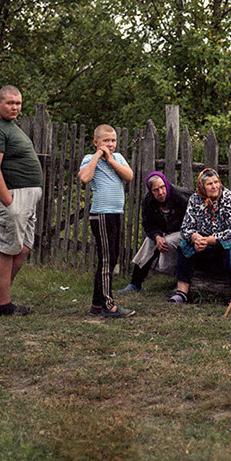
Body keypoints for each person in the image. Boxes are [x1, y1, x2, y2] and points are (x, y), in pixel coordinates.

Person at [0, 85, 43, 316]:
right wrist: (8, 202)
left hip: (24, 197)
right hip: (11, 197)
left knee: (23, 248)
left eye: (18, 103)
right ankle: (4, 306)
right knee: (6, 248)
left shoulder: (8, 125)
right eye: (10, 103)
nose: (15, 107)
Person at [168, 168, 231, 307]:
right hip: (204, 241)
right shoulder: (195, 199)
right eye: (209, 184)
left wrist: (213, 239)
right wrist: (195, 237)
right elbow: (186, 227)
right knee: (184, 246)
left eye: (216, 182)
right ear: (202, 186)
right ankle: (181, 292)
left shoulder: (229, 198)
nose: (214, 186)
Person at [78, 124, 135, 318]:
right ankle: (107, 305)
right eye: (106, 141)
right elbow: (84, 178)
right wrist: (97, 156)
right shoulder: (89, 159)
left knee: (111, 258)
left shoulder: (117, 158)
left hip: (117, 213)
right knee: (106, 259)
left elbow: (129, 176)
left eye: (113, 141)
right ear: (96, 142)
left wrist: (110, 159)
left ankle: (96, 304)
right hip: (101, 215)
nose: (110, 144)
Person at [118, 172, 192, 294]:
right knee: (149, 241)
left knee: (168, 242)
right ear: (151, 191)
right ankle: (135, 284)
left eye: (162, 187)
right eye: (156, 190)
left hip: (186, 231)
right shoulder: (149, 201)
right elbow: (148, 224)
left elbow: (194, 216)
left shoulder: (180, 196)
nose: (161, 192)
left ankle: (180, 281)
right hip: (164, 232)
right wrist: (157, 236)